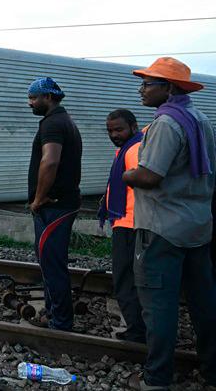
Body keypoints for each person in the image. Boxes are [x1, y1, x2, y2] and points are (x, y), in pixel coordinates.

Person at [121, 57, 216, 391]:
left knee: (158, 305)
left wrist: (127, 173)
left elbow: (149, 175)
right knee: (204, 303)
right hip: (197, 227)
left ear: (169, 87)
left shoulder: (165, 123)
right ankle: (211, 370)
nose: (141, 90)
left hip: (161, 229)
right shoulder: (200, 119)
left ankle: (157, 378)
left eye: (148, 84)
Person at [26, 77, 83, 331]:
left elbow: (50, 162)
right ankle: (53, 314)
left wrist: (38, 199)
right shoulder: (64, 120)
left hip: (54, 206)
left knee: (52, 265)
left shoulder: (53, 124)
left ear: (47, 97)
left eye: (33, 97)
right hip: (62, 203)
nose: (30, 103)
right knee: (52, 262)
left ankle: (60, 323)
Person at [98, 109, 146, 343]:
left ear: (133, 127)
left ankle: (137, 331)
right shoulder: (128, 147)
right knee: (128, 278)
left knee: (125, 278)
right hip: (126, 222)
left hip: (130, 225)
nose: (114, 134)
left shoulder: (135, 149)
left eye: (119, 129)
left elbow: (141, 181)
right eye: (110, 131)